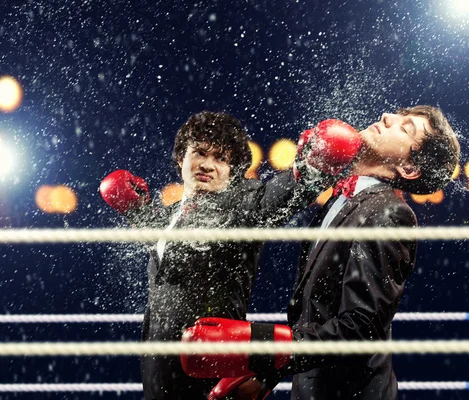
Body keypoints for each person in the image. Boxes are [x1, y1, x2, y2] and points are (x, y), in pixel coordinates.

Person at [180, 105, 460, 400]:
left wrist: (262, 348)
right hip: (315, 388)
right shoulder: (341, 200)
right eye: (397, 116)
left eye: (405, 128)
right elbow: (317, 312)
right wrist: (266, 374)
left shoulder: (389, 213)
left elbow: (361, 326)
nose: (387, 118)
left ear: (409, 169)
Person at [99, 111, 361, 400]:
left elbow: (287, 191)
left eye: (221, 158)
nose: (208, 165)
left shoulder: (245, 207)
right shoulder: (171, 217)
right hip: (157, 375)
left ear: (233, 169)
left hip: (211, 370)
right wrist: (135, 208)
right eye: (199, 152)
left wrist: (318, 164)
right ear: (180, 160)